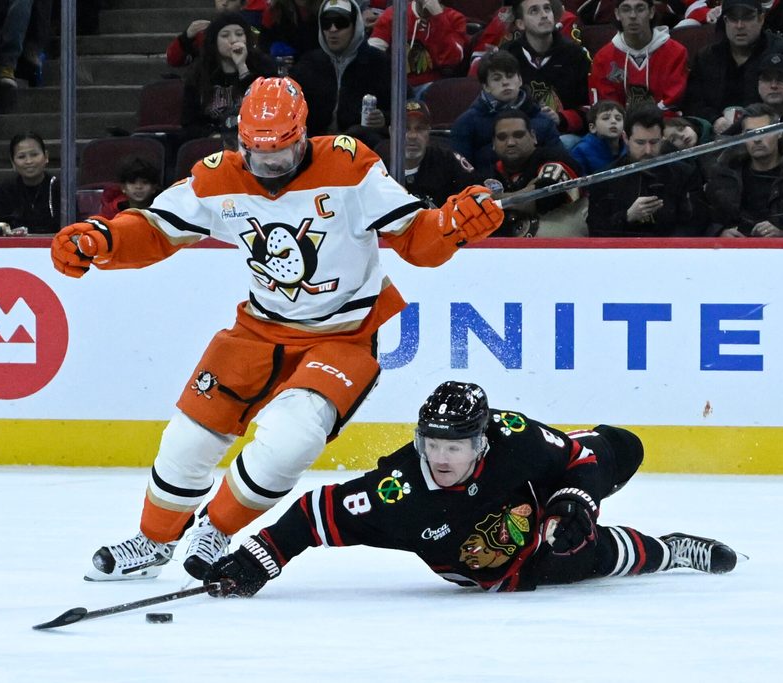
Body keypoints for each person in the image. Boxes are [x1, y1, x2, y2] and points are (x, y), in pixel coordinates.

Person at [50, 77, 505, 583]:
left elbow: (417, 239)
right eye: (257, 153)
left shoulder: (351, 165)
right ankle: (154, 542)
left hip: (345, 335)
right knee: (187, 440)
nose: (269, 166)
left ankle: (217, 528)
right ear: (240, 142)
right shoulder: (218, 177)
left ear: (303, 135)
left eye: (282, 153)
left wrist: (454, 225)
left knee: (291, 440)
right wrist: (102, 238)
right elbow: (156, 229)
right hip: (258, 330)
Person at [201, 381, 742, 597]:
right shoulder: (399, 490)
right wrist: (257, 559)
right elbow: (317, 513)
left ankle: (616, 533)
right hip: (497, 566)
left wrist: (574, 500)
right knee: (591, 555)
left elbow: (587, 455)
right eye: (431, 444)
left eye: (455, 445)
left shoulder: (516, 438)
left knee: (619, 448)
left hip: (531, 502)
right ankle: (668, 549)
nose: (440, 457)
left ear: (482, 440)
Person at [586, 105, 705, 237]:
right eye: (640, 143)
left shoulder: (685, 174)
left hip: (672, 251)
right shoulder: (606, 178)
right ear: (625, 138)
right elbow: (595, 230)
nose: (648, 151)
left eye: (654, 142)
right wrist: (627, 216)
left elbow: (699, 222)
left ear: (663, 138)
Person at [683, 0, 783, 136]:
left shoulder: (781, 51)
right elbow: (692, 102)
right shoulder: (706, 57)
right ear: (725, 21)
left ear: (761, 18)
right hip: (716, 140)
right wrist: (715, 120)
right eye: (733, 18)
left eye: (747, 17)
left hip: (766, 134)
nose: (740, 26)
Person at [703, 103, 783, 237]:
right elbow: (707, 218)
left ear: (779, 132)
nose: (757, 139)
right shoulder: (725, 171)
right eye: (750, 133)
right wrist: (721, 233)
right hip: (736, 252)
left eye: (764, 131)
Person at [289, 0, 391, 137]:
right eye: (326, 23)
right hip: (315, 145)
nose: (333, 29)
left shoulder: (379, 63)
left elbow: (406, 106)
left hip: (362, 146)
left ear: (355, 26)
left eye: (341, 22)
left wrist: (385, 118)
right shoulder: (308, 63)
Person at [451, 49, 563, 170]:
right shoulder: (466, 123)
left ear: (520, 80)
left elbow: (562, 162)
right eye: (497, 78)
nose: (505, 82)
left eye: (510, 76)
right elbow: (460, 171)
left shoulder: (543, 120)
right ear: (486, 87)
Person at [178, 11, 275, 146]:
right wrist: (212, 136)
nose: (234, 40)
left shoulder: (263, 67)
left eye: (239, 34)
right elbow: (189, 124)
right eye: (225, 35)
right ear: (214, 41)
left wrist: (242, 67)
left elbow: (267, 111)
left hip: (256, 143)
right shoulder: (199, 73)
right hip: (213, 144)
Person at [485, 109, 584, 236]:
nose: (510, 143)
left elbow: (544, 198)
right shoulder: (491, 172)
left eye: (518, 135)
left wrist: (493, 199)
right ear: (493, 143)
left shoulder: (554, 158)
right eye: (502, 137)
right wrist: (526, 192)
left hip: (565, 235)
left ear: (533, 137)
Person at [503, 0, 591, 139]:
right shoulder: (507, 55)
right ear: (520, 23)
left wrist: (561, 118)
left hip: (565, 135)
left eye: (547, 9)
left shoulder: (575, 55)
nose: (544, 15)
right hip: (518, 135)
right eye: (534, 11)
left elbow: (589, 107)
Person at [587, 0, 689, 115]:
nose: (633, 16)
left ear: (651, 12)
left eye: (640, 9)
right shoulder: (603, 57)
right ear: (617, 14)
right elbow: (605, 105)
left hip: (664, 124)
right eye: (626, 9)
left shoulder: (675, 52)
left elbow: (673, 100)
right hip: (621, 128)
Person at [375, 100, 482, 208]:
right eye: (405, 128)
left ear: (428, 132)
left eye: (420, 129)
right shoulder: (378, 167)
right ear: (391, 132)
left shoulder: (449, 160)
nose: (412, 136)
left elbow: (479, 195)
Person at [367, 0, 468, 97]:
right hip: (395, 89)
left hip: (432, 90)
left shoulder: (455, 19)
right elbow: (371, 56)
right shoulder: (393, 14)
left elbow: (452, 60)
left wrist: (438, 17)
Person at [0, 131, 59, 234]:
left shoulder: (60, 188)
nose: (29, 161)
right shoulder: (3, 191)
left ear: (46, 156)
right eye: (21, 157)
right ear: (13, 162)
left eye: (34, 155)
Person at [165, 0, 250, 70]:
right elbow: (173, 60)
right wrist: (185, 38)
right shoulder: (202, 32)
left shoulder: (250, 31)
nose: (224, 3)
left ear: (242, 4)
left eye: (231, 0)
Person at [571, 99, 627, 175]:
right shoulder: (580, 152)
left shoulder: (629, 146)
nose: (613, 121)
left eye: (618, 118)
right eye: (606, 118)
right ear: (593, 128)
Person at [98, 156, 163, 220]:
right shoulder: (111, 211)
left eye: (145, 182)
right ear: (123, 187)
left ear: (154, 188)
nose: (138, 187)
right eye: (132, 182)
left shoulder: (163, 210)